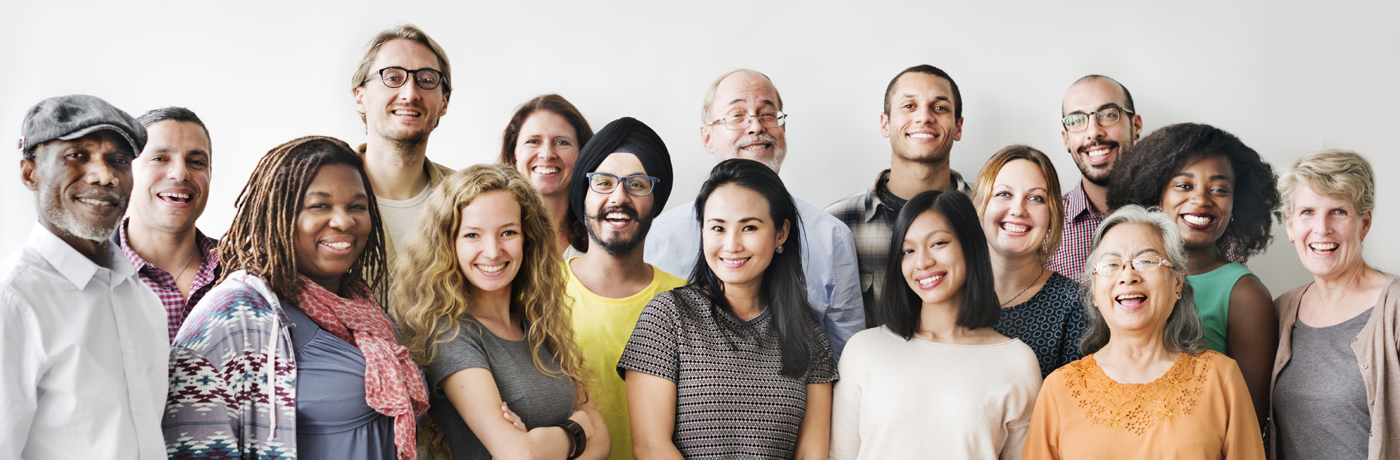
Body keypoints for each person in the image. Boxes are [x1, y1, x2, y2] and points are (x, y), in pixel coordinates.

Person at [163, 136, 428, 459]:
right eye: (320, 205)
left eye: (356, 207)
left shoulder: (364, 309)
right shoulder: (234, 313)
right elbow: (191, 447)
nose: (344, 221)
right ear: (278, 214)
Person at [621, 159, 837, 459]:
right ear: (703, 232)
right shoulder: (667, 316)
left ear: (781, 233)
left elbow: (811, 455)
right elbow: (650, 446)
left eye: (749, 227)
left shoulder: (808, 333)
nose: (732, 244)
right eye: (718, 228)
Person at [391, 164, 609, 460]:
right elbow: (521, 454)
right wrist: (576, 431)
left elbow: (602, 440)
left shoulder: (538, 320)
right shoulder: (449, 334)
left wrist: (540, 442)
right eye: (472, 235)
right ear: (448, 243)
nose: (493, 251)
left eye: (507, 232)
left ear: (527, 239)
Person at [645, 69, 864, 358]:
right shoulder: (662, 236)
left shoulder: (831, 236)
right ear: (707, 137)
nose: (755, 126)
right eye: (737, 115)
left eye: (767, 114)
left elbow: (847, 358)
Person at [1023, 205, 1265, 459]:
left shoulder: (1222, 377)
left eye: (1146, 261)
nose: (1128, 275)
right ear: (1094, 290)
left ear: (1177, 282)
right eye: (1111, 264)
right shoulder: (1059, 388)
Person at [2, 94, 166, 459]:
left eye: (118, 160)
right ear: (30, 172)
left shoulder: (144, 301)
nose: (104, 175)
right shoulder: (14, 303)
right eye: (77, 155)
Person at [830, 190, 1041, 459]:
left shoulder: (1016, 361)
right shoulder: (863, 350)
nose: (923, 262)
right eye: (908, 250)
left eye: (938, 243)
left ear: (970, 246)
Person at [1107, 122, 1278, 426]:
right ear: (1155, 195)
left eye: (1219, 189)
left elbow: (1249, 420)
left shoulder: (1243, 294)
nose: (1201, 199)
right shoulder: (1122, 282)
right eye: (1184, 186)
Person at [562, 117, 685, 460]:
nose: (619, 197)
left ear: (655, 200)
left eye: (637, 184)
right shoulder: (535, 295)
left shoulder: (690, 302)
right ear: (582, 194)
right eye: (603, 182)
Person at [1270, 149, 1398, 460]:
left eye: (1338, 211)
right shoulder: (1281, 310)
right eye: (1307, 212)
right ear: (1290, 226)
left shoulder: (1394, 308)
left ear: (1364, 223)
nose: (1322, 228)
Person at [828, 64, 972, 324]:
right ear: (885, 123)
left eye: (939, 108)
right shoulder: (836, 225)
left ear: (958, 126)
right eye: (909, 106)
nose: (924, 117)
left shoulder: (991, 213)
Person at [972, 145, 1087, 378]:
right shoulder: (947, 291)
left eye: (1035, 198)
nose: (1018, 209)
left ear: (1053, 214)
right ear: (980, 205)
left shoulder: (1076, 307)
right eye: (1004, 194)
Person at [350, 24, 455, 276]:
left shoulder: (468, 198)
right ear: (360, 97)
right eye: (393, 78)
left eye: (426, 80)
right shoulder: (314, 192)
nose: (410, 94)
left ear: (444, 102)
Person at [119, 106, 221, 343]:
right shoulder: (88, 274)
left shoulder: (245, 271)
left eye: (196, 162)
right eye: (159, 159)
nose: (180, 173)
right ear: (125, 170)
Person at [1048, 75, 1142, 279]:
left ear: (1136, 126)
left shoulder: (1175, 214)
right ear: (1066, 139)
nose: (1093, 132)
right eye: (1076, 120)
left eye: (1108, 114)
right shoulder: (1044, 228)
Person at [498, 94, 594, 259]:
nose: (547, 154)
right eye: (533, 141)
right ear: (514, 153)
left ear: (582, 154)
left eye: (562, 142)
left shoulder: (602, 231)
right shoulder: (491, 230)